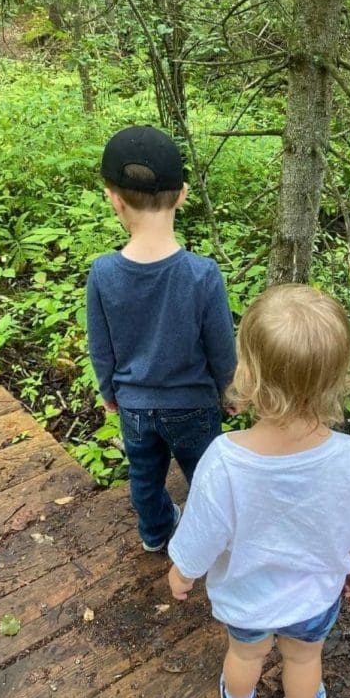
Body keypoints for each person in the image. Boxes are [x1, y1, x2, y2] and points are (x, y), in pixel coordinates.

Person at [168, 284, 350, 698]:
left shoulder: (224, 459)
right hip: (314, 598)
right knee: (302, 659)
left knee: (244, 652)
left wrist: (182, 572)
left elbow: (201, 534)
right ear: (338, 380)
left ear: (247, 374)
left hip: (246, 598)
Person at [86, 125, 236, 553]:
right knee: (206, 477)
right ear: (183, 195)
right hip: (193, 405)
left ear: (113, 199)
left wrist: (109, 389)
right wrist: (230, 390)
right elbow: (220, 346)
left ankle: (155, 534)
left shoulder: (103, 272)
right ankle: (214, 544)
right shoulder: (202, 273)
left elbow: (101, 345)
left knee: (145, 477)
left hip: (134, 407)